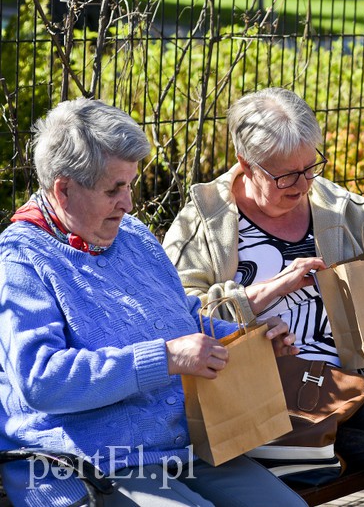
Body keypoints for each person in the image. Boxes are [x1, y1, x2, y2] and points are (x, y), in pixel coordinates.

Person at [162, 87, 364, 506]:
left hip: (361, 369)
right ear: (246, 163)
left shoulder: (340, 209)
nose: (303, 184)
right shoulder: (202, 224)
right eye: (286, 176)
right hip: (279, 388)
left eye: (309, 167)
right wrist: (267, 292)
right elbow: (177, 314)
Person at [0, 98, 307, 507]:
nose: (128, 203)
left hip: (184, 447)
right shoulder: (21, 261)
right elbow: (42, 380)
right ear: (64, 189)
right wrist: (162, 359)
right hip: (89, 464)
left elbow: (178, 320)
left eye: (129, 185)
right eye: (114, 189)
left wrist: (246, 339)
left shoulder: (132, 236)